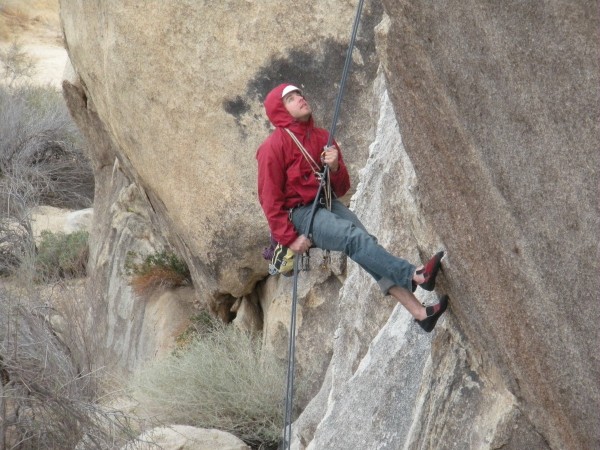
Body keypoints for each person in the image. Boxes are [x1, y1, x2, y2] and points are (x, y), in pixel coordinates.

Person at [256, 83, 448, 332]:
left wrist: (335, 166)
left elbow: (342, 187)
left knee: (366, 245)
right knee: (353, 238)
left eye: (299, 95)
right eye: (291, 99)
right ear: (280, 111)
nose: (300, 99)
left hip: (326, 202)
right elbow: (268, 199)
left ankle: (421, 313)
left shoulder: (322, 137)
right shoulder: (273, 147)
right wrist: (289, 238)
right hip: (301, 214)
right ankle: (416, 274)